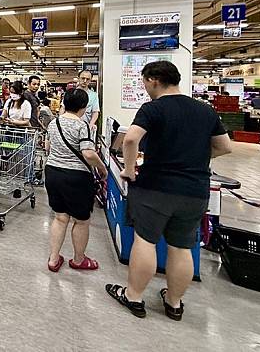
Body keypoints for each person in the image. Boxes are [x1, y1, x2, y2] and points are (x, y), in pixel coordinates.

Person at [105, 61, 232, 321]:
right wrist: (194, 158)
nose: (144, 87)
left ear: (153, 80)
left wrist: (129, 169)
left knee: (145, 240)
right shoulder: (205, 110)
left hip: (156, 188)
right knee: (181, 247)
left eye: (144, 82)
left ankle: (134, 296)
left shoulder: (153, 109)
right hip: (194, 190)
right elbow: (225, 146)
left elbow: (130, 138)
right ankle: (174, 303)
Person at [46, 89, 108, 272]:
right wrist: (102, 168)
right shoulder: (83, 126)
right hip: (76, 177)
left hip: (53, 172)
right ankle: (79, 260)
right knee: (81, 220)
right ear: (84, 106)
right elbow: (88, 153)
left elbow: (48, 147)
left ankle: (53, 259)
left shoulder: (53, 123)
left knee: (60, 217)